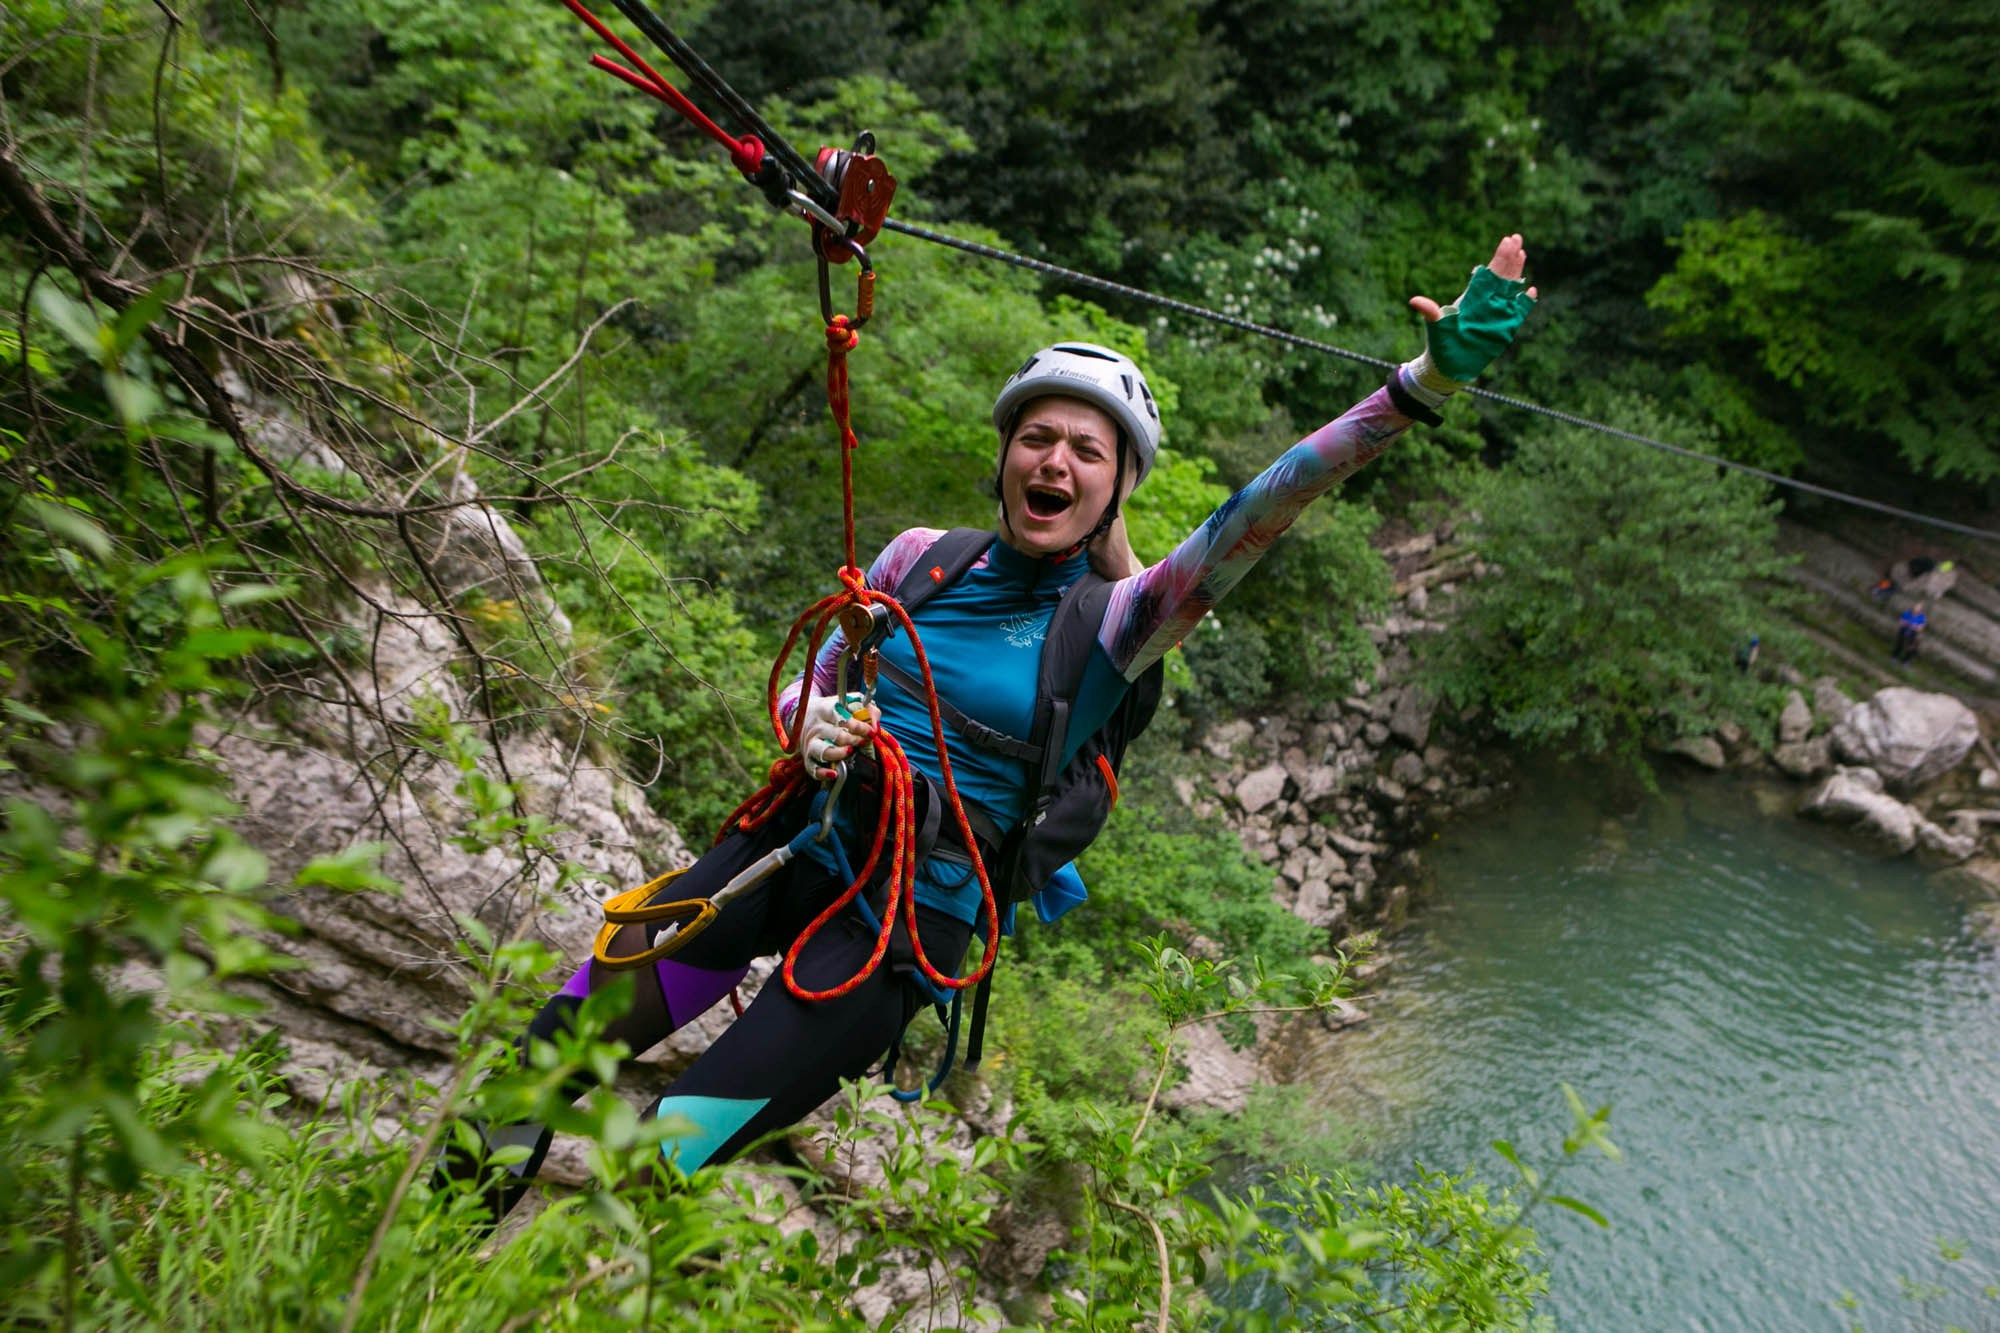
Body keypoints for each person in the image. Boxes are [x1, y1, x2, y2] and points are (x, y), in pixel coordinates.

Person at [437, 235, 1540, 1226]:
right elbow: (810, 682)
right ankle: (431, 1248)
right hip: (794, 843)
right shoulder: (920, 556)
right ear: (1006, 450)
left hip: (901, 924)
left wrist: (1422, 384)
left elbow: (1269, 500)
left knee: (667, 1145)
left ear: (1113, 491)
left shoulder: (1120, 623)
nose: (1053, 462)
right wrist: (806, 719)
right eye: (1037, 437)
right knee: (555, 1045)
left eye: (1086, 451)